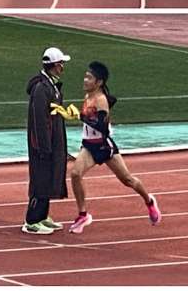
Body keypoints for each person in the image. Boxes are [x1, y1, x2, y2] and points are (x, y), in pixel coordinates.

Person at [52, 61, 162, 234]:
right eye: (85, 76)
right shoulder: (88, 96)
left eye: (89, 78)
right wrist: (73, 114)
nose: (85, 80)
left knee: (127, 180)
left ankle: (149, 201)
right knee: (75, 174)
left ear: (99, 82)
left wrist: (79, 116)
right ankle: (83, 215)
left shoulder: (101, 100)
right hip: (88, 145)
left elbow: (102, 127)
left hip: (103, 146)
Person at [21, 47, 70, 235]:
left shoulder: (51, 86)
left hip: (52, 142)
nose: (63, 67)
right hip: (42, 145)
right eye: (61, 64)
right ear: (54, 65)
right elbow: (39, 120)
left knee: (49, 178)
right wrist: (43, 146)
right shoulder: (42, 88)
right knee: (40, 180)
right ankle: (32, 220)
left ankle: (42, 216)